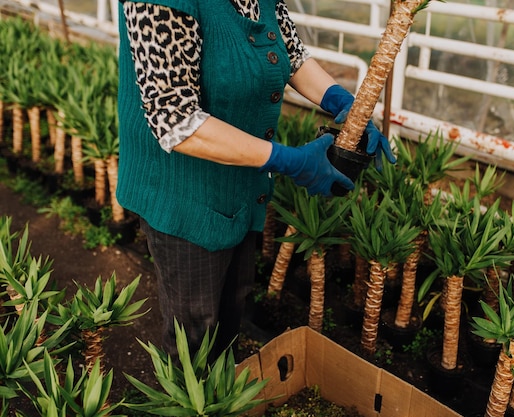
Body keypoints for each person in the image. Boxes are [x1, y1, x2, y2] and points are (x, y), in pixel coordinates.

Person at [116, 0, 396, 359]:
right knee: (193, 335)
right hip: (181, 193)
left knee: (231, 313)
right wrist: (289, 160)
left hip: (239, 187)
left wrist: (343, 103)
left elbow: (290, 53)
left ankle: (223, 395)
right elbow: (174, 118)